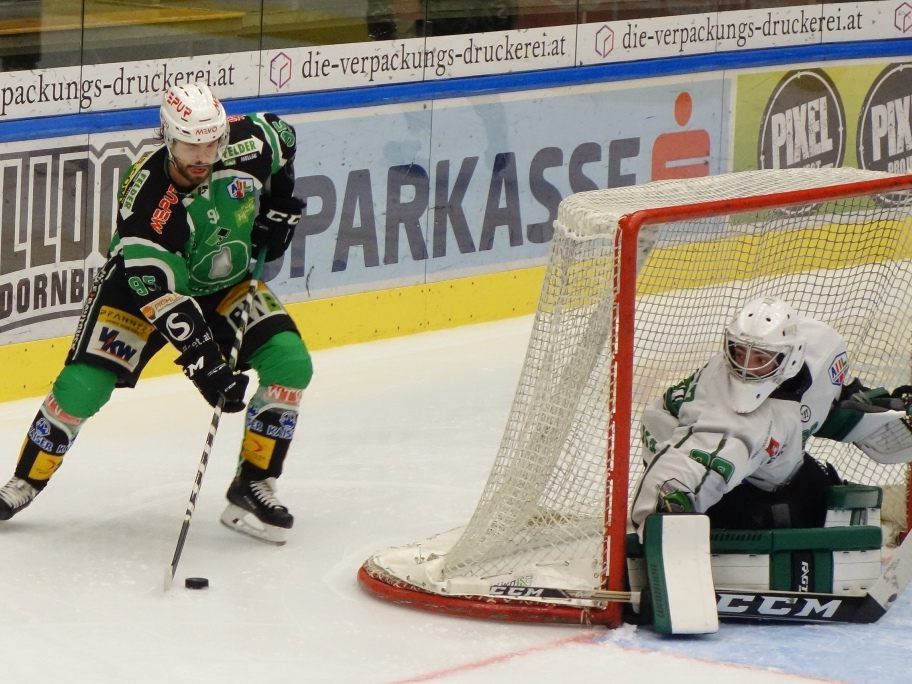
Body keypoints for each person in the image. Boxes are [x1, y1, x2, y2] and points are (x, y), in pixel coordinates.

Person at [0, 82, 313, 545]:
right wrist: (205, 361)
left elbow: (282, 139)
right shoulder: (147, 196)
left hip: (221, 286)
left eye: (212, 141)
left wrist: (279, 203)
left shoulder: (247, 142)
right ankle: (24, 482)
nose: (203, 154)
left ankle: (253, 481)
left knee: (291, 361)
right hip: (138, 294)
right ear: (167, 136)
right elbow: (158, 292)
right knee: (84, 388)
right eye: (191, 144)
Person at [630, 296, 911, 538]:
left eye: (760, 357)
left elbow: (828, 403)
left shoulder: (821, 349)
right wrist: (666, 506)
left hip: (758, 456)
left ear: (791, 356)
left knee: (819, 492)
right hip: (677, 442)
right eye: (740, 353)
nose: (745, 369)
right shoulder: (735, 415)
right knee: (773, 517)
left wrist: (889, 409)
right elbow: (693, 462)